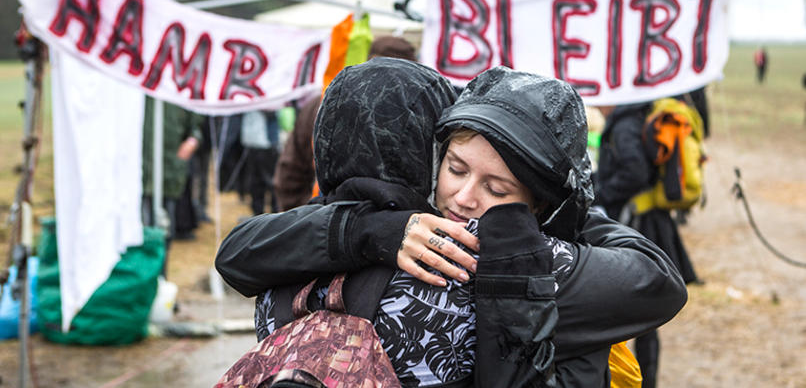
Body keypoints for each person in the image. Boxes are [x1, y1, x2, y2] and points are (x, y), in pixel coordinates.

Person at [216, 62, 687, 387]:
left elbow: (235, 254)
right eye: (456, 169)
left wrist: (370, 230)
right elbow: (658, 280)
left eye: (496, 189)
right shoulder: (468, 250)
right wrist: (574, 210)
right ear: (427, 153)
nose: (464, 198)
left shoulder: (297, 252)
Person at [593, 102, 700, 388]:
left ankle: (643, 381)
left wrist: (601, 193)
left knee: (639, 314)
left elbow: (635, 173)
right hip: (646, 221)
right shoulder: (635, 117)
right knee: (645, 315)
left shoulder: (625, 124)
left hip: (637, 222)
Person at [272, 35, 419, 211]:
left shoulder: (418, 116)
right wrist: (304, 215)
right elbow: (291, 169)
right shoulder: (324, 104)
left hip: (385, 225)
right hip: (323, 217)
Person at [142, 98, 203, 272]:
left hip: (170, 174)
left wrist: (190, 144)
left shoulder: (177, 92)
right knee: (145, 232)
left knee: (166, 232)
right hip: (143, 175)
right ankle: (148, 283)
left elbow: (196, 128)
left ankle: (162, 279)